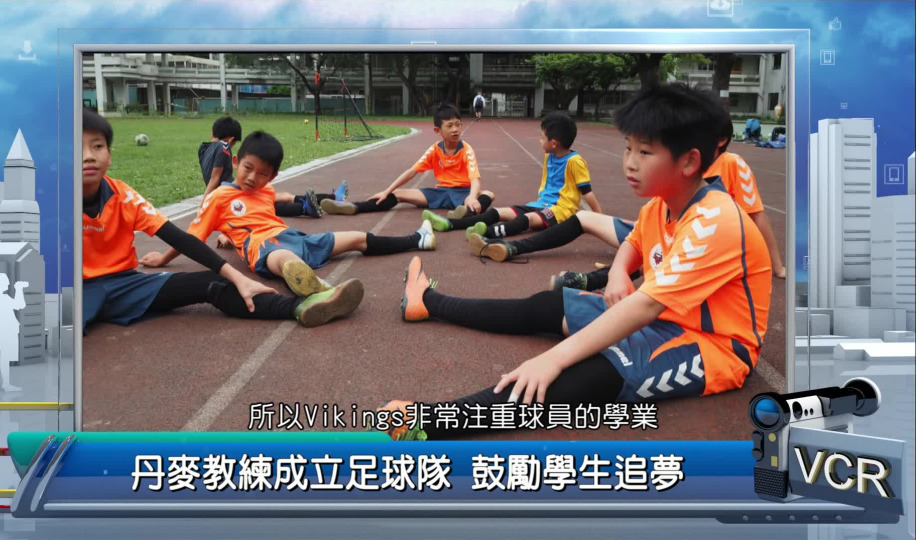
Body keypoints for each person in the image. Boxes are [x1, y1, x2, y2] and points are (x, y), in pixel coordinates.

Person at [385, 83, 772, 439]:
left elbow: (645, 306)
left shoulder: (716, 221)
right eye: (627, 148)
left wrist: (552, 360)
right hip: (663, 318)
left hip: (713, 346)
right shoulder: (661, 205)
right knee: (548, 305)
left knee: (591, 372)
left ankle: (428, 422)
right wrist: (618, 272)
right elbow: (634, 243)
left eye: (644, 152)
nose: (629, 163)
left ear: (689, 162)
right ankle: (428, 302)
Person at [81, 109, 362, 330]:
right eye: (76, 147)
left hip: (126, 283)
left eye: (97, 146)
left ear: (109, 156)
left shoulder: (125, 196)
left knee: (214, 282)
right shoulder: (57, 202)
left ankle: (301, 306)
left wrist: (237, 276)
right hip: (73, 291)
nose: (88, 157)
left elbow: (181, 238)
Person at [468, 110, 787, 283]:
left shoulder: (732, 165)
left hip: (690, 248)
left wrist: (777, 266)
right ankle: (511, 246)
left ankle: (584, 281)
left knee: (654, 264)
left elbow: (757, 215)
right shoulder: (678, 160)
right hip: (653, 234)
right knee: (584, 218)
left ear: (720, 140)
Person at [142, 131, 436, 296]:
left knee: (358, 238)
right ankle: (320, 290)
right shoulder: (219, 197)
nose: (253, 178)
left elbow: (277, 198)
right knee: (282, 258)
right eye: (248, 168)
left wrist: (227, 236)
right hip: (263, 246)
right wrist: (164, 259)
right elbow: (191, 237)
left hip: (295, 237)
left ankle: (417, 239)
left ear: (272, 176)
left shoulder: (266, 191)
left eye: (262, 174)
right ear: (236, 162)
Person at [421, 111, 602, 246]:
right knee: (499, 212)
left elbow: (587, 193)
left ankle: (487, 234)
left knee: (527, 219)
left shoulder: (575, 162)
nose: (539, 141)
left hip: (560, 211)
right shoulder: (550, 156)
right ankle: (451, 224)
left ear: (554, 143)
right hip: (541, 204)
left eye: (542, 137)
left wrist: (600, 220)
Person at [321, 104, 494, 220]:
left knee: (488, 194)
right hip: (440, 192)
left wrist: (471, 197)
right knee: (398, 194)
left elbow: (475, 180)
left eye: (458, 125)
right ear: (438, 131)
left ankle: (464, 214)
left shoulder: (466, 150)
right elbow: (412, 171)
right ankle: (354, 207)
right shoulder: (435, 150)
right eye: (449, 126)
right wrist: (387, 191)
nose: (455, 130)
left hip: (463, 193)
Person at [200, 116, 348, 221]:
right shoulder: (224, 146)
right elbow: (214, 177)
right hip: (231, 192)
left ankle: (320, 202)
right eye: (234, 144)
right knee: (273, 201)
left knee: (279, 197)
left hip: (229, 191)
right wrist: (204, 203)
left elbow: (207, 177)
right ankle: (318, 203)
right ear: (231, 139)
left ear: (212, 133)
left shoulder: (203, 148)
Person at [0, 273, 27, 392]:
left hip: (7, 330)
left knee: (5, 358)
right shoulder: (2, 297)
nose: (8, 283)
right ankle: (6, 384)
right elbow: (20, 305)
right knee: (5, 358)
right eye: (6, 281)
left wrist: (18, 289)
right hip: (6, 331)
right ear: (0, 283)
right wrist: (19, 289)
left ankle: (6, 383)